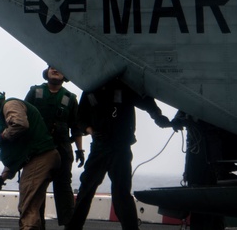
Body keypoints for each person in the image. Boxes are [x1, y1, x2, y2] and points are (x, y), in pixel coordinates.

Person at [65, 78, 171, 230]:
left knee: (121, 193)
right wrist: (92, 131)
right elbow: (80, 119)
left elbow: (145, 101)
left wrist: (158, 116)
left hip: (120, 147)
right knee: (86, 190)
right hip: (100, 147)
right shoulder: (90, 90)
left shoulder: (124, 86)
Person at [0, 86, 61, 230]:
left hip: (40, 158)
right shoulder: (6, 115)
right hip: (40, 158)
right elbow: (19, 155)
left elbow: (20, 124)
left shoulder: (10, 104)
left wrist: (2, 136)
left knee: (27, 207)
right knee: (34, 207)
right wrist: (1, 178)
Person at [24, 66, 83, 226]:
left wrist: (80, 150)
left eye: (60, 67)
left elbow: (76, 127)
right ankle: (36, 225)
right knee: (36, 189)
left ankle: (70, 226)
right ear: (46, 71)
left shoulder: (70, 98)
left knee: (63, 188)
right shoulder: (35, 92)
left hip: (62, 149)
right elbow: (22, 119)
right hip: (38, 150)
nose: (55, 69)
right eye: (52, 67)